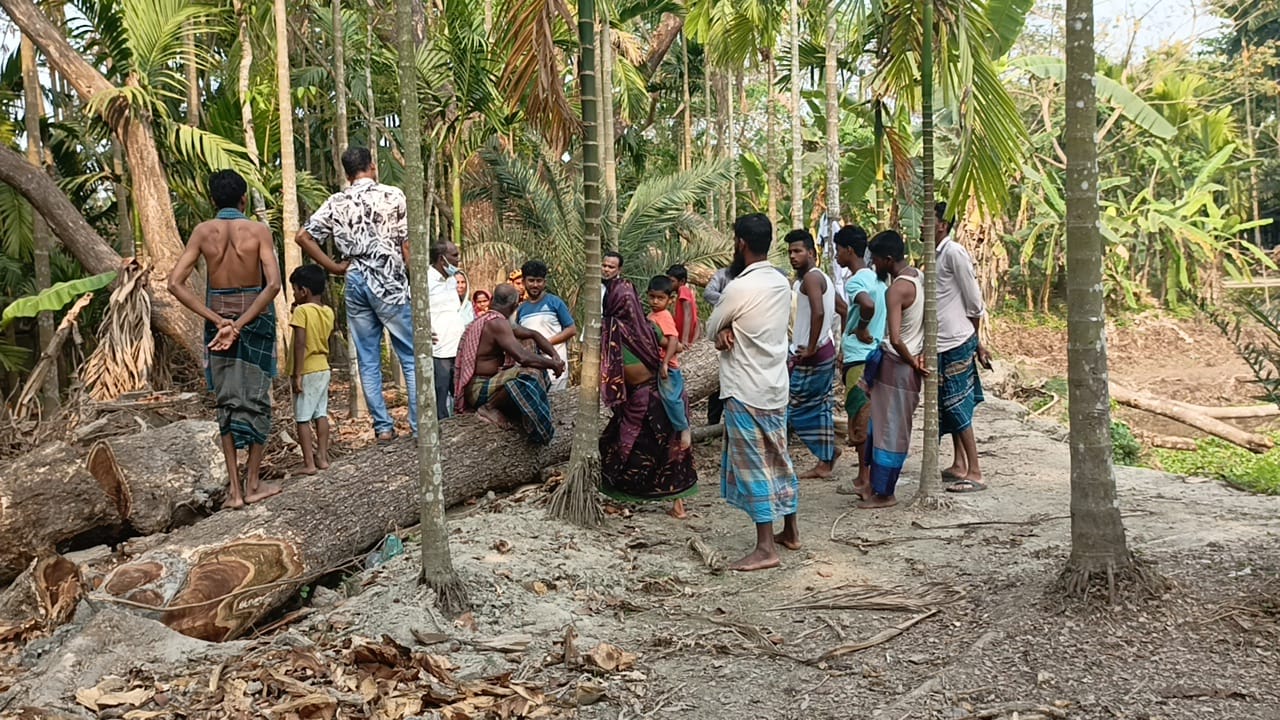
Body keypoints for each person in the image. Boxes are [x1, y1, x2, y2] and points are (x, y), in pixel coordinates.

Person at [166, 169, 282, 509]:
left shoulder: (203, 232)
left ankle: (234, 492)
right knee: (258, 398)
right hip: (255, 318)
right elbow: (272, 285)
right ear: (243, 199)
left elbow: (174, 283)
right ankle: (253, 482)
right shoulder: (259, 230)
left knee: (227, 401)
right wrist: (242, 324)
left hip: (218, 319)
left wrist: (221, 321)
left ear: (213, 200)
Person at [294, 146, 417, 442]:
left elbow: (303, 236)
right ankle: (418, 425)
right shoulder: (393, 195)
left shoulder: (337, 201)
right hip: (390, 280)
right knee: (411, 356)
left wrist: (334, 267)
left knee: (368, 358)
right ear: (372, 166)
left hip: (356, 279)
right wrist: (413, 279)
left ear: (347, 174)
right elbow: (406, 244)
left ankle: (383, 428)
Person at [704, 213, 799, 572]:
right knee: (779, 455)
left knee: (754, 465)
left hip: (745, 386)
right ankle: (790, 530)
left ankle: (765, 547)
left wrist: (724, 330)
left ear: (740, 243)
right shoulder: (779, 282)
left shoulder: (739, 287)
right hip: (775, 383)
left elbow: (713, 323)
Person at [599, 276, 699, 517]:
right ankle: (671, 504)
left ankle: (673, 502)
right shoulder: (615, 328)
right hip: (641, 397)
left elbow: (670, 341)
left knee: (629, 446)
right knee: (660, 445)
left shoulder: (644, 327)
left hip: (649, 396)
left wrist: (668, 359)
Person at [857, 230, 927, 509]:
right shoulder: (918, 277)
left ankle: (885, 493)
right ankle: (877, 486)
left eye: (875, 259)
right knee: (887, 426)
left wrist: (911, 362)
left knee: (889, 429)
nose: (873, 265)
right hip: (902, 364)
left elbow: (896, 338)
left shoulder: (895, 289)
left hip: (897, 365)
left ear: (888, 259)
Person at [454, 284, 565, 442]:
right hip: (478, 390)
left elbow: (532, 334)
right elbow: (522, 357)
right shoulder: (496, 323)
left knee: (529, 349)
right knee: (527, 373)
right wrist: (552, 364)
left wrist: (555, 357)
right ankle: (490, 407)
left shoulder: (494, 319)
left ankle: (517, 408)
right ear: (514, 305)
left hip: (487, 383)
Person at [935, 202, 992, 493]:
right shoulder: (936, 255)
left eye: (928, 221)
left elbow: (973, 300)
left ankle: (976, 471)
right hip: (944, 341)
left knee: (957, 405)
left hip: (956, 340)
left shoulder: (953, 252)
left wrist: (974, 340)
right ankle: (959, 464)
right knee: (949, 405)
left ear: (942, 225)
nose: (922, 226)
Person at [833, 225, 886, 498]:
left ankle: (865, 479)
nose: (836, 255)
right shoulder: (879, 280)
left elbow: (866, 306)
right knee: (870, 416)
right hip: (875, 355)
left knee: (859, 416)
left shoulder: (856, 282)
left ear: (849, 250)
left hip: (859, 357)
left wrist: (862, 327)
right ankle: (866, 475)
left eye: (838, 249)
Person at [785, 229, 839, 479]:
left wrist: (813, 344)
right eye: (790, 252)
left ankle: (826, 457)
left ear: (811, 252)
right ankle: (826, 457)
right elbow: (843, 308)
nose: (793, 256)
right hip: (822, 350)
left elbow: (818, 312)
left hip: (813, 354)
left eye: (798, 251)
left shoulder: (811, 279)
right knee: (819, 407)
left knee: (794, 408)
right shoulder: (819, 277)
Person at [287, 265, 335, 475]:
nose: (294, 294)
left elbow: (300, 342)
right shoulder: (327, 311)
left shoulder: (302, 311)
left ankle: (309, 463)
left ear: (303, 291)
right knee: (321, 413)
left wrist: (297, 374)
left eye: (295, 290)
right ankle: (322, 457)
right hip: (323, 367)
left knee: (303, 418)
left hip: (306, 369)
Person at [646, 275, 692, 452]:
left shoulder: (664, 316)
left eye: (660, 298)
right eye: (652, 297)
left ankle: (683, 428)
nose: (655, 301)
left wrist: (665, 363)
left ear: (670, 300)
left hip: (668, 366)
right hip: (656, 364)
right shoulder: (652, 314)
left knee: (671, 398)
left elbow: (673, 340)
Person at [515, 260, 577, 392]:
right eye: (531, 281)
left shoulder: (555, 303)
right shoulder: (521, 310)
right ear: (524, 282)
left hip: (556, 367)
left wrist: (545, 344)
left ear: (545, 282)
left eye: (539, 281)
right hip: (532, 368)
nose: (535, 285)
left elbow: (571, 329)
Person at [428, 240, 464, 419]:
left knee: (460, 396)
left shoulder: (452, 280)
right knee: (440, 398)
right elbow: (410, 309)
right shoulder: (425, 280)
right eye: (455, 255)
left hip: (458, 347)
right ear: (442, 259)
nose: (458, 259)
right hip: (438, 350)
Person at [702, 264, 738, 426]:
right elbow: (708, 293)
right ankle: (713, 422)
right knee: (718, 378)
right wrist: (729, 302)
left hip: (744, 332)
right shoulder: (724, 274)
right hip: (723, 330)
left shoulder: (756, 277)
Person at [666, 264, 699, 349]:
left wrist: (684, 340)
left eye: (672, 281)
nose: (669, 284)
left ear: (682, 281)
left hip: (685, 340)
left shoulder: (683, 289)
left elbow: (688, 314)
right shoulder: (682, 294)